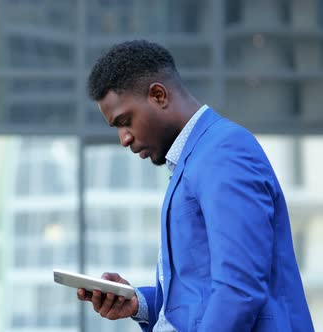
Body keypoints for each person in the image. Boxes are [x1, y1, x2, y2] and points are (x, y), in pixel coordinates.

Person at [77, 40, 314, 331]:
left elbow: (239, 290)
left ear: (158, 95)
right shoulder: (193, 161)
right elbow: (198, 298)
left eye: (125, 121)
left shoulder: (224, 151)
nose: (124, 138)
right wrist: (138, 303)